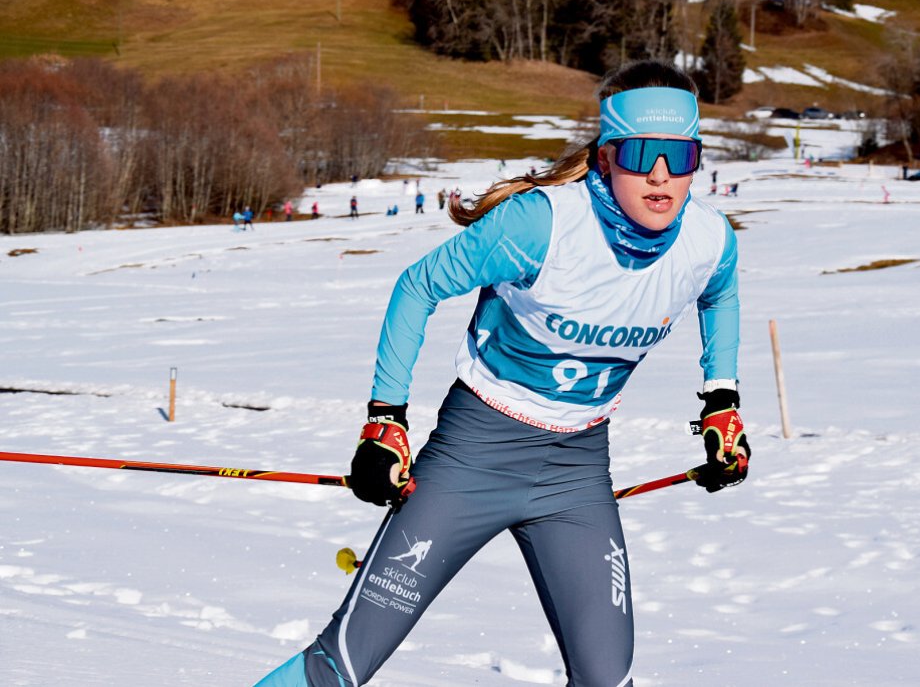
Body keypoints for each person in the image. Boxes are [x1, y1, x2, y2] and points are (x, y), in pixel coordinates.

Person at [254, 60, 748, 687]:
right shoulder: (541, 224)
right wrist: (385, 422)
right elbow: (417, 287)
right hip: (473, 457)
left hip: (577, 475)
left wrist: (721, 402)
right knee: (342, 664)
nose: (660, 175)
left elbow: (721, 296)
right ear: (605, 156)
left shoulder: (709, 240)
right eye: (641, 153)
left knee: (608, 680)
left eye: (680, 157)